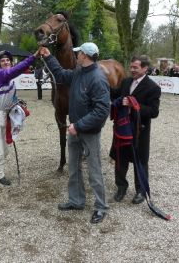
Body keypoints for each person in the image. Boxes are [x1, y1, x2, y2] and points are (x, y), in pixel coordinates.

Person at [40, 42, 110, 224]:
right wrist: (48, 56)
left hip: (88, 132)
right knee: (73, 168)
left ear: (85, 56)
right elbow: (62, 75)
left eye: (79, 53)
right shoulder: (79, 72)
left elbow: (102, 111)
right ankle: (76, 201)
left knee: (94, 171)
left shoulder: (98, 78)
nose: (76, 55)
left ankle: (101, 207)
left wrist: (78, 126)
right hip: (75, 130)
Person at [110, 55, 161, 204]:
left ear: (145, 68)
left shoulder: (153, 88)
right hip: (122, 129)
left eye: (135, 67)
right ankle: (121, 187)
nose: (131, 70)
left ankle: (141, 191)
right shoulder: (126, 82)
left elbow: (154, 111)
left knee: (140, 161)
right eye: (131, 67)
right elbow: (114, 94)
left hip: (140, 132)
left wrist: (134, 105)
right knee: (121, 159)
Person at [0, 49, 40, 186]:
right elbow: (15, 70)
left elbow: (11, 96)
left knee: (5, 150)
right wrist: (33, 57)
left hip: (5, 115)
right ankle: (0, 175)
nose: (6, 62)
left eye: (8, 60)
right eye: (3, 61)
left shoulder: (10, 81)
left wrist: (17, 105)